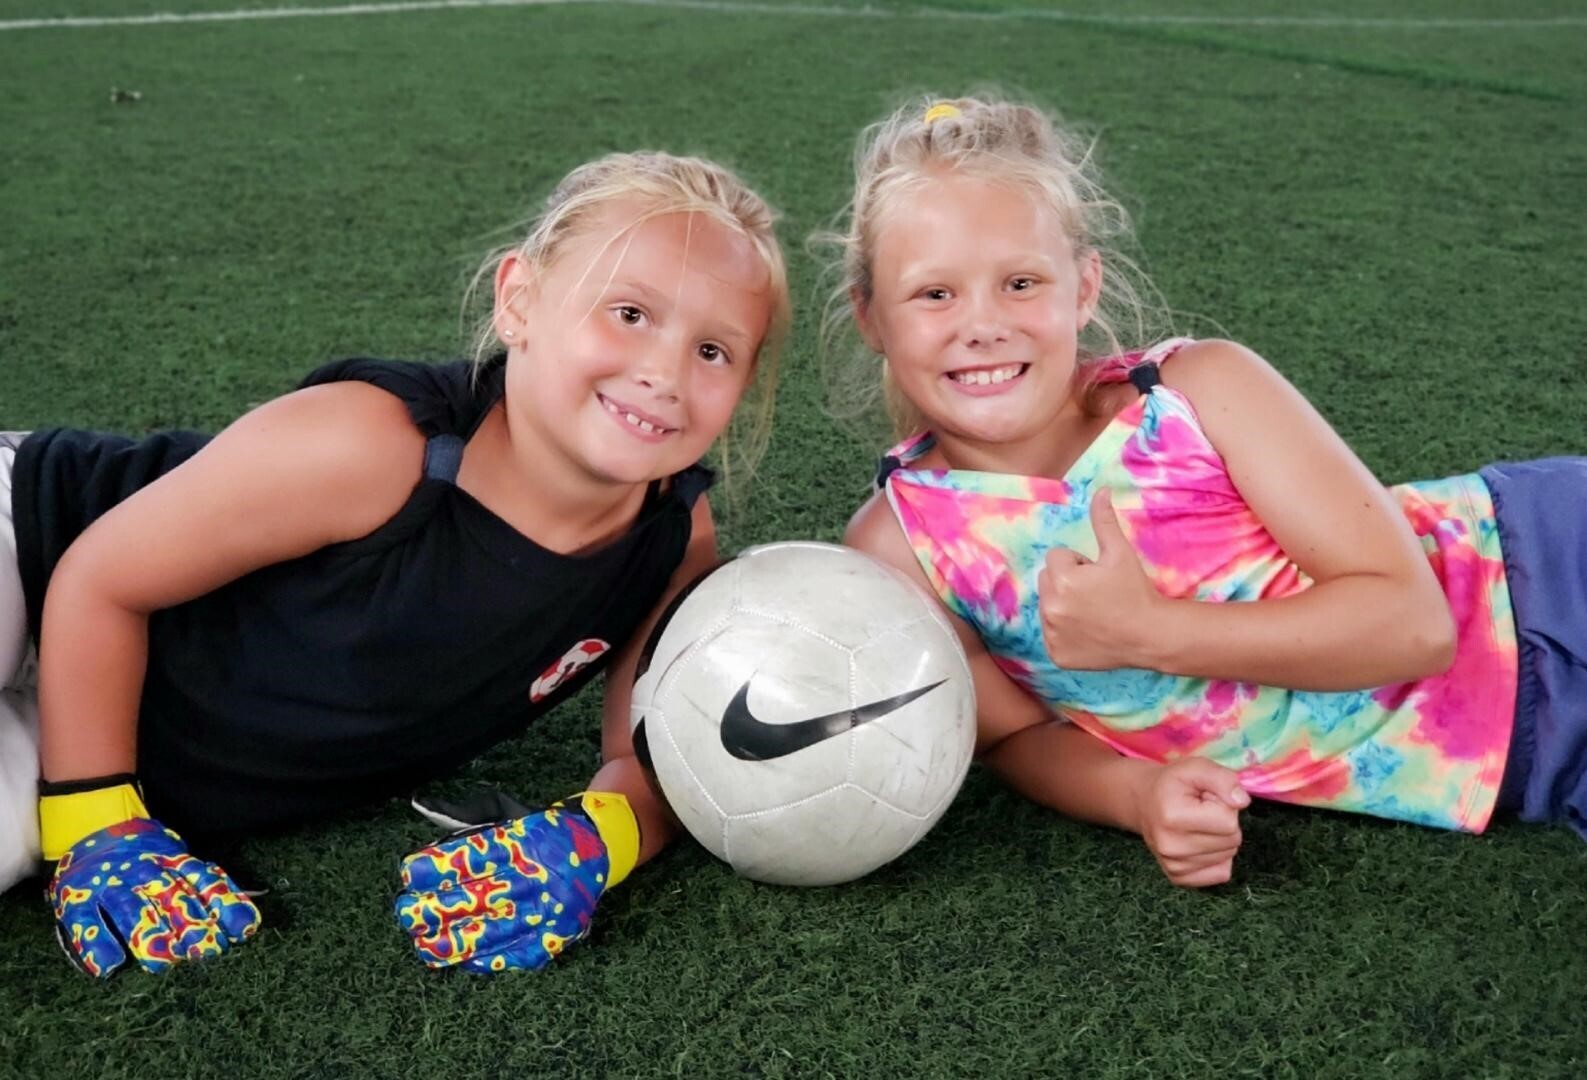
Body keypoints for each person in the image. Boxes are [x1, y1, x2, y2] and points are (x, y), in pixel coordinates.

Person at [0, 150, 791, 975]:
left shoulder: (668, 534)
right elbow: (97, 579)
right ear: (520, 299)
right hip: (39, 542)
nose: (664, 373)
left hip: (134, 741)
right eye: (629, 313)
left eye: (713, 352)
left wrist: (601, 835)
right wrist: (94, 823)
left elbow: (655, 752)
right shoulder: (380, 445)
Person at [830, 95, 1584, 889]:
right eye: (934, 294)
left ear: (1082, 288)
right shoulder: (900, 545)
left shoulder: (1198, 392)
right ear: (870, 316)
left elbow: (1412, 623)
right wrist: (1137, 793)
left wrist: (1147, 630)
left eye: (1020, 282)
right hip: (1522, 765)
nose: (981, 324)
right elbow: (1012, 740)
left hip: (1539, 577)